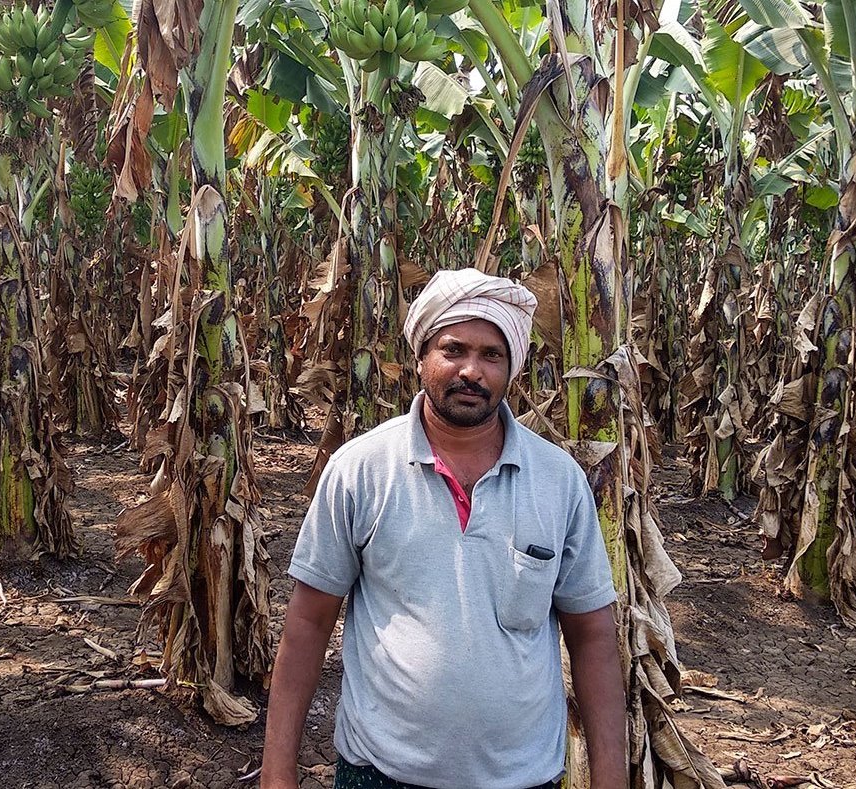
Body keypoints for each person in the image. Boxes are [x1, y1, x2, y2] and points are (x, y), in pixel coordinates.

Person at [260, 268, 626, 789]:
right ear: (421, 358)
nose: (471, 371)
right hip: (379, 774)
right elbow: (308, 624)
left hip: (522, 778)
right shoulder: (361, 470)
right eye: (453, 349)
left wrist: (611, 779)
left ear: (511, 368)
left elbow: (591, 635)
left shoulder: (559, 481)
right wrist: (277, 773)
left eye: (491, 355)